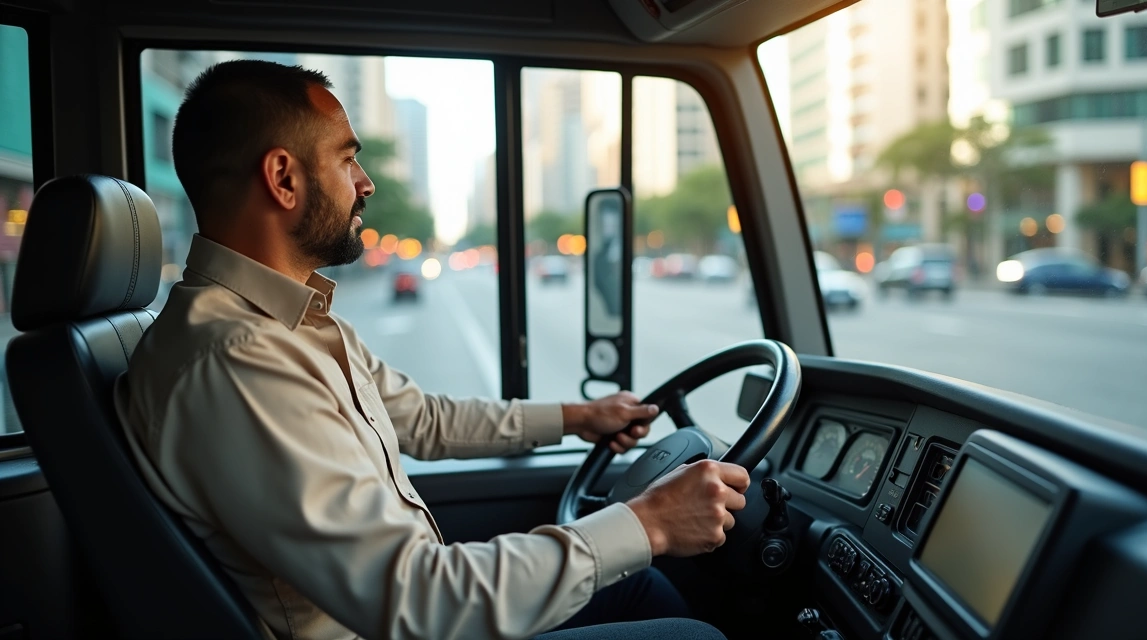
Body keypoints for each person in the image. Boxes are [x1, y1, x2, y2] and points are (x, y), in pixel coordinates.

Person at [114, 60, 748, 640]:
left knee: (637, 586)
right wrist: (649, 523)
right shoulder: (237, 360)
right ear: (284, 178)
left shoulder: (286, 322)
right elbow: (416, 597)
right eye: (347, 159)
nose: (365, 184)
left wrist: (579, 417)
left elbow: (423, 418)